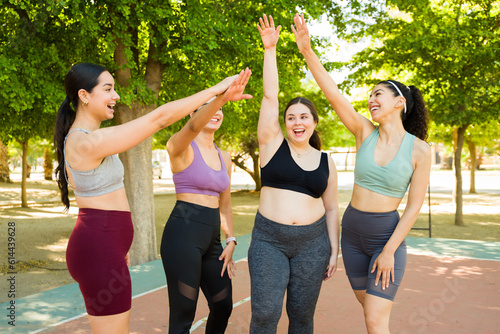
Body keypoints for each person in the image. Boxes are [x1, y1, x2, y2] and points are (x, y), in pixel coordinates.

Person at [54, 62, 249, 334]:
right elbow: (160, 119)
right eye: (108, 89)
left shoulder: (93, 137)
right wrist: (217, 91)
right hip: (99, 250)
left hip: (105, 248)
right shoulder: (84, 142)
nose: (116, 96)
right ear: (84, 96)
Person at [292, 13, 432, 333]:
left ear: (399, 102)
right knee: (371, 314)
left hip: (386, 237)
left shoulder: (420, 151)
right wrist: (307, 51)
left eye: (377, 94)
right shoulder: (363, 132)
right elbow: (332, 94)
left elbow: (413, 208)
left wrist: (388, 251)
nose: (371, 100)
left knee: (374, 319)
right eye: (369, 95)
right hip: (352, 236)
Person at [247, 15, 340, 334]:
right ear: (284, 123)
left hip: (313, 244)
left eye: (304, 116)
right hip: (268, 240)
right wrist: (269, 50)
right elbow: (270, 97)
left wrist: (333, 249)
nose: (297, 122)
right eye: (291, 117)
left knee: (301, 316)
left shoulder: (327, 160)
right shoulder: (271, 145)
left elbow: (331, 208)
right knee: (264, 313)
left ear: (314, 121)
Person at [160, 68, 252, 334]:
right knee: (184, 313)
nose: (215, 112)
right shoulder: (180, 147)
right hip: (182, 237)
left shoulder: (225, 157)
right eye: (206, 108)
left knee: (223, 306)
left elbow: (225, 205)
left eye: (219, 108)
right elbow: (191, 127)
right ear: (194, 114)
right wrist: (220, 98)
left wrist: (231, 239)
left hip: (212, 241)